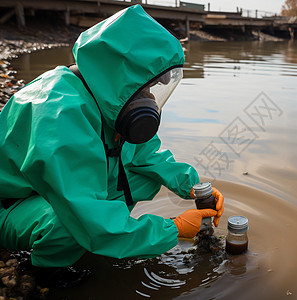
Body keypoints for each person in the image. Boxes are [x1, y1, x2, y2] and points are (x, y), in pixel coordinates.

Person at [0, 5, 224, 287]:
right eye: (146, 87)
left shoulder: (99, 92)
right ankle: (46, 270)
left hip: (42, 190)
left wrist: (191, 186)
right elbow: (82, 211)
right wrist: (173, 229)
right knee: (71, 223)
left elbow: (143, 154)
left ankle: (114, 233)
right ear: (121, 75)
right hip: (8, 204)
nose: (149, 98)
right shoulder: (59, 114)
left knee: (138, 176)